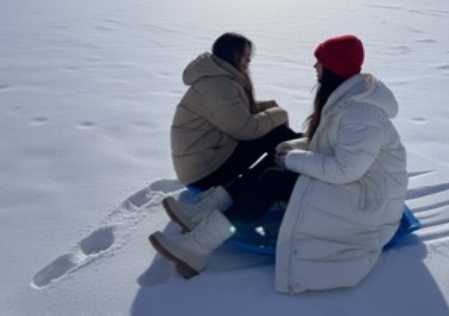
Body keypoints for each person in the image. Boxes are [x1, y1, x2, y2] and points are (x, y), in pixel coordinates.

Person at [150, 34, 409, 294]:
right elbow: (329, 148)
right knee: (276, 167)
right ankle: (203, 222)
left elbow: (345, 169)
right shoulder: (347, 102)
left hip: (366, 199)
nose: (314, 67)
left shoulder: (362, 113)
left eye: (319, 61)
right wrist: (291, 149)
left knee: (275, 179)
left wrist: (295, 159)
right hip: (353, 185)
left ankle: (199, 245)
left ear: (333, 67)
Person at [168, 32, 299, 194]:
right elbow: (246, 129)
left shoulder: (218, 77)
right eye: (244, 55)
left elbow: (232, 111)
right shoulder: (217, 85)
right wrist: (279, 113)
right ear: (230, 55)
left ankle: (280, 176)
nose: (248, 60)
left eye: (249, 55)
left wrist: (266, 107)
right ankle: (264, 188)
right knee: (275, 135)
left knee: (277, 135)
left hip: (208, 158)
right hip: (204, 173)